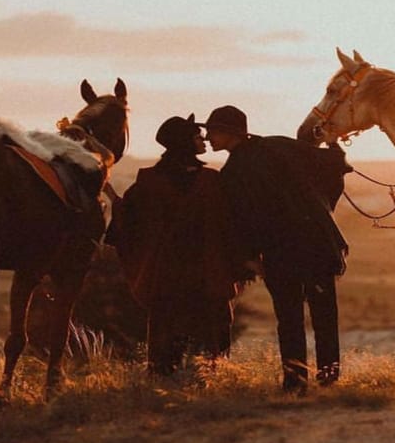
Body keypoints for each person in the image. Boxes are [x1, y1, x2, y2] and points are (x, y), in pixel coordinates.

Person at [203, 105, 351, 393]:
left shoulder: (231, 174)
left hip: (280, 253)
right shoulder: (278, 146)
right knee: (323, 313)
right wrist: (323, 209)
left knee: (289, 317)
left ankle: (295, 383)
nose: (208, 137)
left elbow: (239, 222)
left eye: (212, 131)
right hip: (315, 245)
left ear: (228, 132)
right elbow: (334, 163)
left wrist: (249, 258)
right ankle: (328, 378)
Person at [106, 114, 248, 376]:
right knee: (211, 334)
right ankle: (214, 377)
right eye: (196, 136)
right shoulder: (210, 181)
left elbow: (129, 221)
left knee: (166, 332)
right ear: (184, 143)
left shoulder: (150, 181)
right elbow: (230, 225)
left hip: (166, 275)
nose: (203, 139)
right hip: (206, 272)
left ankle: (163, 380)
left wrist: (114, 200)